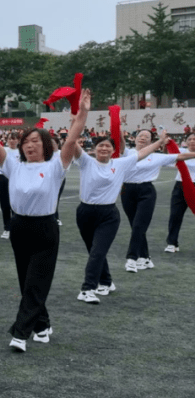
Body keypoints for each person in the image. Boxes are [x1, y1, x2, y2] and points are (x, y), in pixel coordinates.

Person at [0, 90, 87, 353]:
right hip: (19, 227)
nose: (30, 145)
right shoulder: (13, 166)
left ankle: (20, 334)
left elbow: (71, 139)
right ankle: (42, 325)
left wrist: (83, 113)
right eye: (26, 142)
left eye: (35, 141)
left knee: (36, 282)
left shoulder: (55, 166)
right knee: (26, 281)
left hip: (45, 229)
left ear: (46, 144)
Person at [71, 132, 173, 304]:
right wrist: (76, 122)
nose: (104, 148)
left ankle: (87, 288)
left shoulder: (120, 163)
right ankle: (106, 281)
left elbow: (143, 153)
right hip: (84, 212)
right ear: (94, 149)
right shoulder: (86, 161)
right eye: (100, 145)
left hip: (108, 215)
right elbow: (72, 142)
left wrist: (160, 142)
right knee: (93, 250)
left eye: (108, 146)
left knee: (98, 251)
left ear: (114, 150)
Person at [120, 129, 184, 272]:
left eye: (147, 136)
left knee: (139, 225)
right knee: (135, 226)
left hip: (146, 192)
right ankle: (145, 257)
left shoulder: (157, 157)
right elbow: (119, 141)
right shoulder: (127, 153)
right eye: (140, 135)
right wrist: (117, 126)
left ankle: (132, 258)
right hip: (127, 191)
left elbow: (181, 156)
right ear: (134, 138)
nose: (143, 138)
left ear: (151, 141)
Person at [165, 133, 195, 253]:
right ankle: (172, 243)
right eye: (190, 139)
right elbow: (169, 157)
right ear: (186, 142)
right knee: (175, 215)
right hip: (181, 186)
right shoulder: (180, 152)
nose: (192, 141)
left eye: (194, 139)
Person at [0, 131, 19, 239]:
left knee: (16, 205)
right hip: (3, 179)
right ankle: (7, 228)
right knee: (5, 205)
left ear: (18, 140)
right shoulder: (3, 150)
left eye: (14, 138)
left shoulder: (22, 152)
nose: (11, 141)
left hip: (16, 179)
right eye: (9, 138)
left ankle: (16, 227)